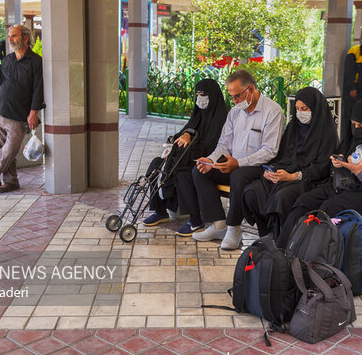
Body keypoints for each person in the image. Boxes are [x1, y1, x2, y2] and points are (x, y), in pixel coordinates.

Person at [277, 98, 362, 249]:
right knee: (305, 201)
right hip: (342, 185)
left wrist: (359, 172)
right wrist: (339, 163)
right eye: (354, 124)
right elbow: (342, 157)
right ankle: (283, 250)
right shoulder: (352, 138)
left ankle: (311, 256)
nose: (357, 129)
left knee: (328, 209)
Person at [191, 69, 285, 250]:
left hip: (259, 167)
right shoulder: (235, 112)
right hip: (234, 164)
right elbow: (224, 144)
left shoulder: (273, 111)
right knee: (200, 171)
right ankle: (219, 225)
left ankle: (234, 227)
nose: (234, 101)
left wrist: (238, 163)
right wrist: (211, 160)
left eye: (237, 96)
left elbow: (270, 151)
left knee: (239, 176)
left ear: (250, 90)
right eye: (231, 97)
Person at [241, 86, 338, 239]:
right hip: (284, 174)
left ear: (315, 109)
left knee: (284, 196)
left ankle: (282, 239)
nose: (300, 113)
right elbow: (282, 156)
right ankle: (266, 234)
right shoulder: (293, 127)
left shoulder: (327, 133)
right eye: (297, 109)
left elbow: (322, 168)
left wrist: (292, 177)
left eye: (305, 108)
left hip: (310, 179)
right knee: (252, 191)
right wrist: (271, 170)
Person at [141, 78, 228, 236]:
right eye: (197, 94)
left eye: (204, 94)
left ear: (213, 96)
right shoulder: (198, 115)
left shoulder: (222, 118)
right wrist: (183, 138)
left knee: (183, 173)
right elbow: (183, 133)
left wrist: (189, 142)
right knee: (156, 164)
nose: (199, 98)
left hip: (207, 160)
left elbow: (213, 146)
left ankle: (195, 221)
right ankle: (160, 211)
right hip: (187, 157)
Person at [0, 25, 44, 193]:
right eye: (9, 36)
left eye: (14, 36)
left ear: (25, 38)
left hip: (17, 117)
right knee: (2, 150)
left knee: (10, 150)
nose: (9, 39)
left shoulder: (36, 61)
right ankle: (11, 181)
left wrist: (34, 112)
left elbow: (38, 88)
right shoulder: (8, 59)